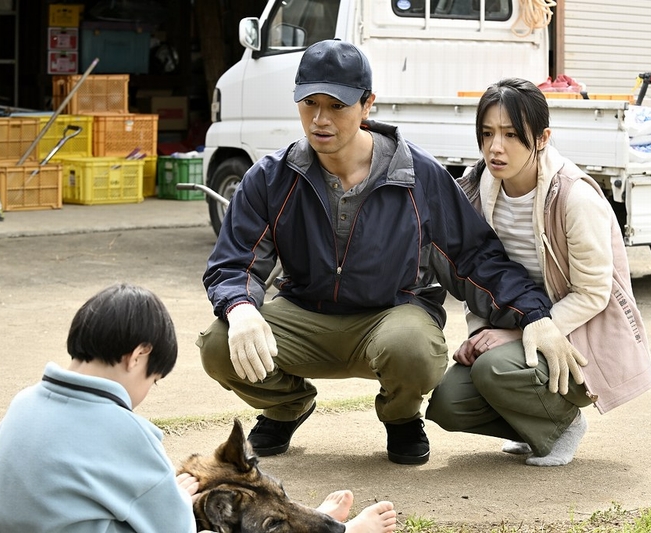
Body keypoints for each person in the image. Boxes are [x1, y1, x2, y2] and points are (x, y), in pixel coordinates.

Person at [197, 40, 586, 466]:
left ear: (367, 105)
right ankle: (286, 406)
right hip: (305, 316)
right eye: (309, 103)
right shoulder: (271, 177)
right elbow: (233, 261)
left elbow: (475, 258)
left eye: (337, 106)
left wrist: (534, 315)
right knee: (218, 343)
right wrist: (240, 307)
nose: (320, 119)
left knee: (412, 348)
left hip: (392, 317)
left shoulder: (418, 176)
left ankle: (401, 417)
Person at [426, 78, 651, 466]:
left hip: (574, 339)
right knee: (449, 403)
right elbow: (477, 275)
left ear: (543, 137)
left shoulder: (574, 197)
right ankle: (532, 426)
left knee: (495, 368)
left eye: (511, 134)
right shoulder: (476, 190)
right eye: (487, 133)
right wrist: (480, 334)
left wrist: (519, 332)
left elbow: (593, 294)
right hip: (515, 327)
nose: (496, 147)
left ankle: (563, 425)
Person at [0, 283, 199, 532]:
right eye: (153, 380)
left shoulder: (22, 403)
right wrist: (181, 500)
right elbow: (175, 528)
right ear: (138, 355)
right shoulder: (128, 433)